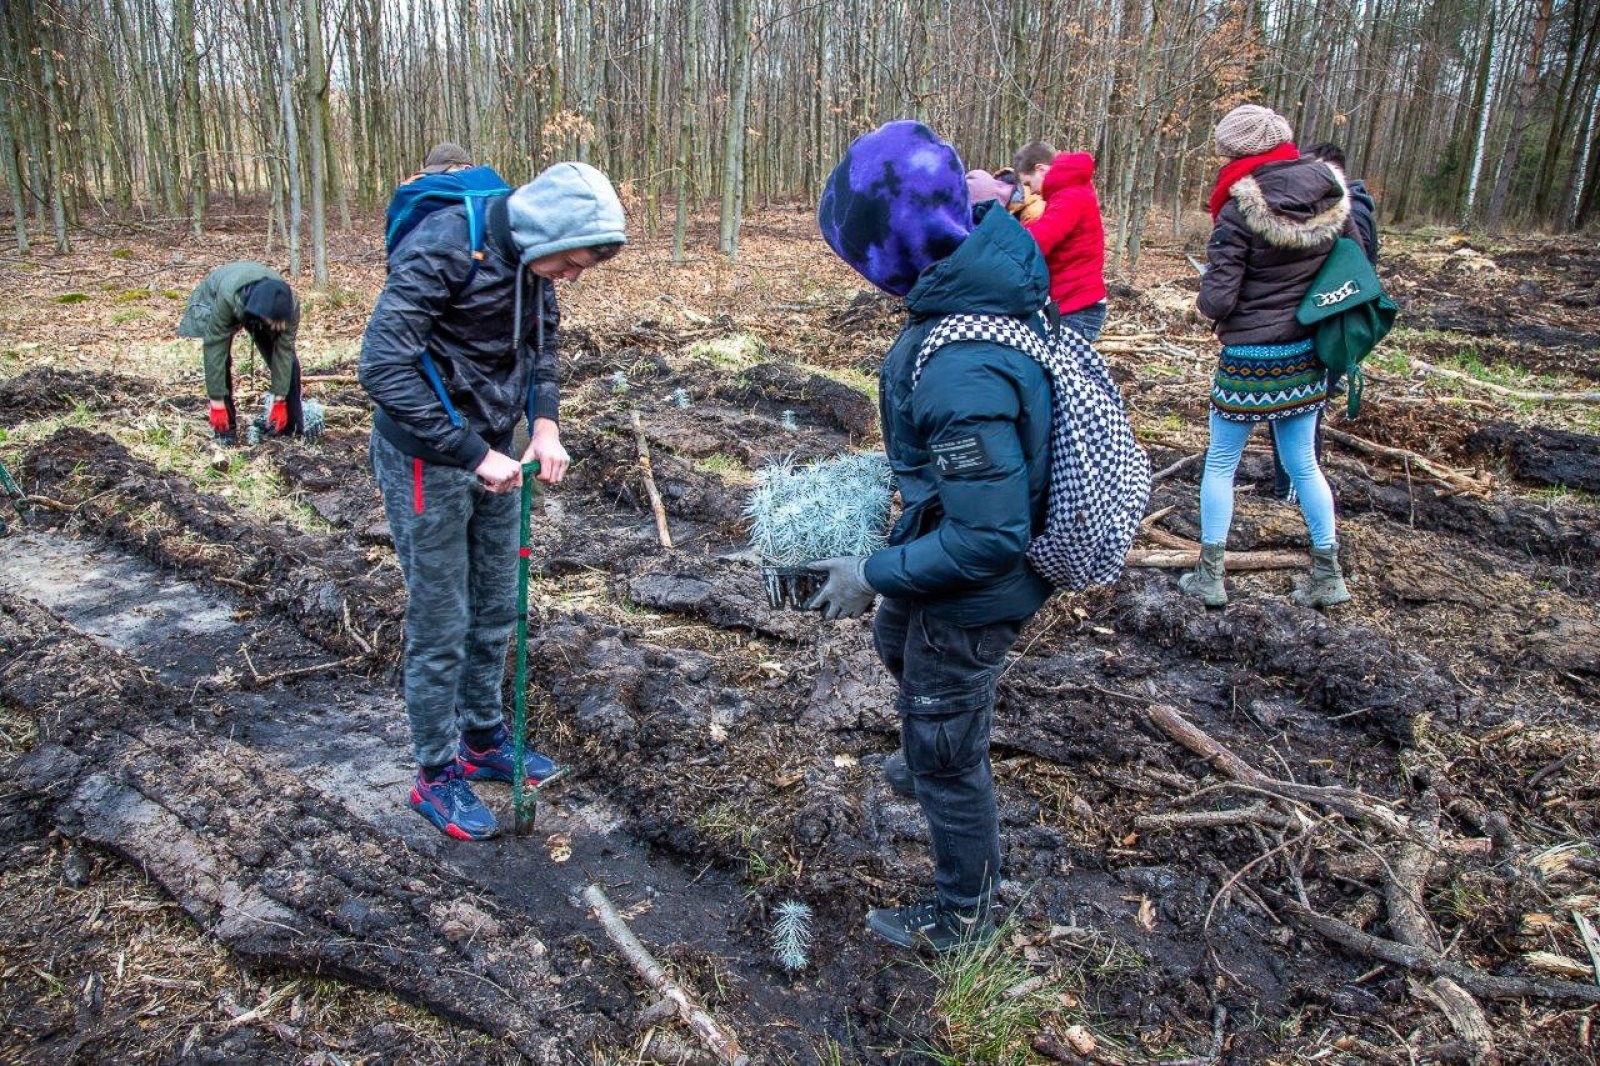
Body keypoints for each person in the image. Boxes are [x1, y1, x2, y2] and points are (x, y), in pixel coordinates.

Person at [812, 120, 1054, 952]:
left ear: (895, 245)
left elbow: (990, 536)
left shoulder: (962, 360)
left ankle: (964, 918)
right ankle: (927, 753)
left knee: (948, 740)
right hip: (954, 547)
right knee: (895, 637)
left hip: (980, 583)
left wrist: (873, 569)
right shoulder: (974, 281)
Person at [359, 161, 625, 840]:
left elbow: (542, 348)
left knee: (497, 605)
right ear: (545, 236)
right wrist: (471, 453)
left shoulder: (533, 268)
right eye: (569, 265)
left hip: (501, 448)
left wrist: (543, 424)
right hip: (428, 456)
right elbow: (382, 366)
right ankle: (434, 771)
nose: (570, 279)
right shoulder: (445, 246)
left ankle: (482, 738)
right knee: (441, 619)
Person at [1182, 104, 1370, 610]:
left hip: (1248, 354)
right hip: (1308, 351)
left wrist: (1203, 297)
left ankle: (1210, 576)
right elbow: (1354, 263)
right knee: (1305, 464)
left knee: (1221, 463)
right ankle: (1328, 577)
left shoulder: (1237, 208)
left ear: (1234, 152)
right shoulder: (1333, 193)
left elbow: (1218, 300)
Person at [1267, 140, 1379, 503]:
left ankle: (1294, 498)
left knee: (1302, 415)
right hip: (1313, 326)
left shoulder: (1351, 213)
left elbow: (1353, 273)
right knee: (1289, 411)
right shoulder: (1330, 210)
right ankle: (1287, 491)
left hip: (1330, 330)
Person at [177, 261, 303, 441]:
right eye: (274, 324)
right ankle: (225, 430)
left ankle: (289, 428)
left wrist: (280, 399)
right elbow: (215, 350)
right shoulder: (228, 298)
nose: (278, 328)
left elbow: (283, 353)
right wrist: (216, 402)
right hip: (221, 298)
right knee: (222, 360)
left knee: (290, 361)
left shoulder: (290, 306)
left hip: (261, 305)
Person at [1012, 142, 1108, 341]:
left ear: (1041, 169)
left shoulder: (1070, 195)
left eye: (1029, 184)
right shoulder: (1069, 191)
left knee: (1069, 371)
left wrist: (1002, 233)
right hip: (1071, 305)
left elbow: (1039, 241)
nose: (1033, 192)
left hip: (1078, 308)